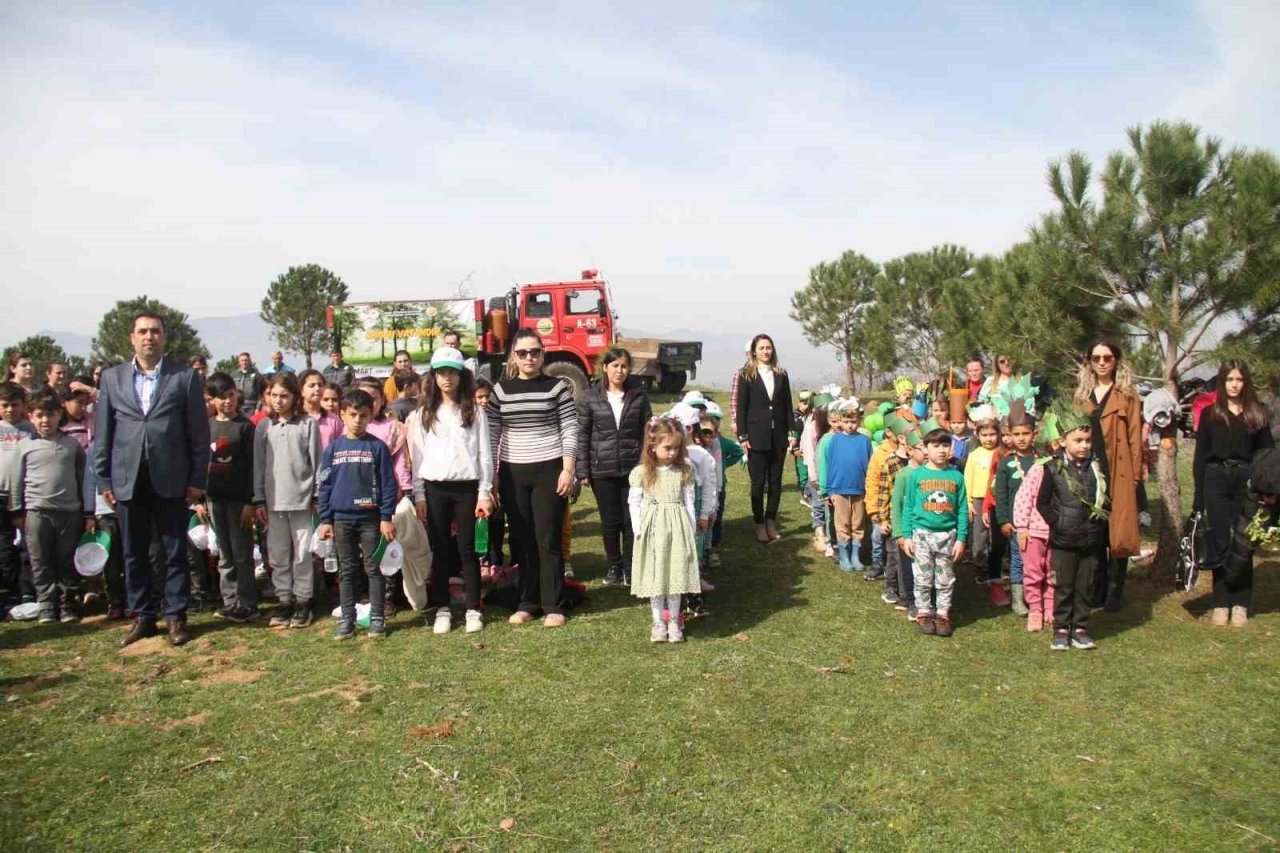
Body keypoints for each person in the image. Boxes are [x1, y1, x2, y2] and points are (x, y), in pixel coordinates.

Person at [93, 312, 211, 647]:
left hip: (172, 478)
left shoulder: (184, 377)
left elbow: (198, 436)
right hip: (127, 479)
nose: (149, 337)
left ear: (164, 337)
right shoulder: (112, 379)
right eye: (142, 332)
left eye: (155, 331)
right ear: (131, 337)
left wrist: (197, 479)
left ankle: (175, 616)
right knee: (133, 551)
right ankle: (144, 616)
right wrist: (103, 482)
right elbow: (103, 434)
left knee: (175, 550)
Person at [486, 329, 577, 628]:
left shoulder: (557, 387)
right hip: (512, 472)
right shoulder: (501, 390)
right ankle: (527, 602)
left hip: (550, 470)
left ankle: (554, 605)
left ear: (543, 354)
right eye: (523, 353)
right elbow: (491, 434)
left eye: (535, 352)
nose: (529, 358)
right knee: (522, 539)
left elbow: (569, 429)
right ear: (514, 355)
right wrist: (493, 476)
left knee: (547, 538)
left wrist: (568, 468)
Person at [406, 347, 493, 635]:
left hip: (468, 488)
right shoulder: (423, 414)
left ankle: (472, 608)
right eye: (441, 372)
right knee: (440, 549)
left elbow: (484, 455)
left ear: (461, 375)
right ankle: (442, 607)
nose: (447, 378)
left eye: (452, 373)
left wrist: (485, 491)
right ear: (433, 376)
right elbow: (418, 459)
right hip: (434, 488)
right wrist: (419, 495)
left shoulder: (475, 411)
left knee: (468, 549)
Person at [1193, 360, 1274, 627]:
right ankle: (1221, 601)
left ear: (1245, 382)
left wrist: (1268, 490)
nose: (1234, 385)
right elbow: (1200, 458)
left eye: (1239, 379)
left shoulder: (1257, 414)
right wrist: (1198, 498)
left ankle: (1241, 602)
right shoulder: (1209, 414)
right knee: (1219, 542)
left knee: (1243, 544)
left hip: (1246, 481)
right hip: (1215, 480)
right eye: (1229, 380)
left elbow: (1267, 456)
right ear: (1222, 382)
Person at [315, 388, 398, 640]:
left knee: (373, 568)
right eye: (352, 415)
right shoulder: (333, 449)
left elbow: (388, 484)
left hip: (370, 519)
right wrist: (325, 519)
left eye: (363, 415)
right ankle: (347, 618)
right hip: (341, 519)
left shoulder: (378, 447)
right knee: (347, 570)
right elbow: (325, 485)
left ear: (370, 415)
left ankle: (377, 618)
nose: (357, 420)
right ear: (342, 415)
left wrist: (386, 517)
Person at [1075, 338, 1143, 611]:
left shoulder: (1128, 395)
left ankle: (1116, 589)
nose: (1102, 363)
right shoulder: (1081, 396)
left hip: (1119, 469)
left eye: (1107, 358)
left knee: (1119, 530)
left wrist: (1136, 476)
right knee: (1095, 529)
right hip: (1088, 470)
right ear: (1089, 362)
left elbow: (1135, 436)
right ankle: (1097, 585)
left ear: (1116, 361)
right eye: (1096, 358)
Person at [577, 347, 652, 587]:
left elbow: (648, 432)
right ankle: (614, 566)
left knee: (631, 521)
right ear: (605, 367)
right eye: (615, 366)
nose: (619, 371)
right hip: (602, 469)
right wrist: (583, 470)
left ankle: (631, 567)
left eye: (623, 366)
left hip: (633, 468)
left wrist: (647, 464)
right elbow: (583, 435)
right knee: (610, 522)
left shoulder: (639, 395)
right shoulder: (590, 397)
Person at [253, 371, 321, 630]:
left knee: (302, 553)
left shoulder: (307, 425)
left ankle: (303, 600)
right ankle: (284, 599)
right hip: (273, 501)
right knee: (279, 554)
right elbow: (259, 465)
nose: (279, 400)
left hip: (302, 500)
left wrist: (316, 494)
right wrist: (259, 499)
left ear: (295, 397)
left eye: (284, 395)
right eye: (274, 395)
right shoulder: (264, 426)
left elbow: (317, 462)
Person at [10, 391, 85, 623]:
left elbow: (82, 477)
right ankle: (46, 607)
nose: (45, 420)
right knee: (40, 561)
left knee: (66, 559)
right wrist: (17, 511)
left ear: (59, 415)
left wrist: (87, 510)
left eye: (50, 415)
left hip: (69, 513)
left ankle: (67, 605)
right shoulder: (24, 446)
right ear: (31, 416)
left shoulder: (72, 445)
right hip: (37, 512)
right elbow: (15, 481)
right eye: (40, 415)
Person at [1037, 407, 1107, 651]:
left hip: (1090, 539)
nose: (1084, 445)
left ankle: (1080, 627)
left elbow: (1106, 499)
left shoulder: (1097, 470)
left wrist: (1098, 525)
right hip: (1064, 540)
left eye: (1088, 440)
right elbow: (1042, 503)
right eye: (1078, 440)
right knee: (1064, 586)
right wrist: (1059, 523)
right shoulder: (1053, 468)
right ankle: (1061, 628)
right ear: (1063, 441)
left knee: (1084, 585)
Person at [628, 417, 701, 643]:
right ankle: (658, 620)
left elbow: (689, 500)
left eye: (676, 448)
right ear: (653, 446)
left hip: (677, 526)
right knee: (656, 574)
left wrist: (691, 526)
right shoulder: (643, 472)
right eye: (667, 447)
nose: (672, 452)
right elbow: (635, 501)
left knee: (675, 572)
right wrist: (638, 528)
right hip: (653, 527)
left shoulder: (684, 470)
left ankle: (674, 621)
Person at [900, 427, 969, 638]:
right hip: (921, 534)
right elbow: (909, 506)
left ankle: (942, 614)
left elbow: (963, 509)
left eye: (945, 445)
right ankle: (924, 613)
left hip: (947, 535)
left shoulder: (956, 476)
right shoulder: (917, 475)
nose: (941, 450)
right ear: (925, 449)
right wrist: (907, 535)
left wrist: (961, 538)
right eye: (936, 445)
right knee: (922, 577)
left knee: (945, 578)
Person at [201, 372, 259, 623]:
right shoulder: (207, 427)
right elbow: (201, 464)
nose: (228, 401)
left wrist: (250, 502)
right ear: (211, 400)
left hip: (239, 501)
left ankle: (248, 603)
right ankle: (230, 601)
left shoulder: (246, 427)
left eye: (231, 395)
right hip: (214, 499)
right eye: (222, 397)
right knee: (224, 552)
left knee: (241, 552)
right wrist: (199, 501)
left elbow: (252, 467)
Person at [735, 334, 793, 544]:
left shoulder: (781, 374)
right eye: (761, 348)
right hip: (756, 437)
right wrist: (742, 435)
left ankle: (771, 521)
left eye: (769, 348)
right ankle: (759, 523)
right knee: (758, 484)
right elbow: (741, 408)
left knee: (776, 483)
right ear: (754, 351)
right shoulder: (746, 375)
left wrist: (791, 433)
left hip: (778, 437)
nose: (766, 352)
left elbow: (787, 406)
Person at [993, 405, 1037, 618]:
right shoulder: (1006, 463)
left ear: (1034, 434)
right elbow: (1000, 495)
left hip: (1039, 523)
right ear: (1009, 435)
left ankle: (1035, 596)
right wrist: (1003, 520)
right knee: (1018, 559)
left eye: (1025, 434)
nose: (1021, 439)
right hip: (1016, 523)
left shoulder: (1042, 461)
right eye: (1016, 434)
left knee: (1037, 560)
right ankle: (1018, 600)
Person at [1013, 423, 1058, 632]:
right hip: (1034, 531)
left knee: (1052, 571)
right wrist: (1022, 527)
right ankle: (1035, 609)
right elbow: (1023, 499)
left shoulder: (1065, 470)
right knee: (1033, 572)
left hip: (1058, 531)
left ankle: (1050, 606)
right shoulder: (1038, 469)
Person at [822, 400, 873, 573]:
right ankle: (844, 554)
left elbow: (870, 467)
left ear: (859, 421)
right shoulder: (834, 440)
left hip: (859, 489)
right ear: (841, 421)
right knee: (842, 522)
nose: (850, 425)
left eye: (853, 422)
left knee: (858, 523)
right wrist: (830, 490)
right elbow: (831, 465)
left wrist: (869, 489)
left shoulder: (865, 441)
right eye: (846, 422)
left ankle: (855, 555)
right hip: (840, 489)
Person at [964, 408, 1008, 605]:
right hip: (979, 499)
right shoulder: (975, 455)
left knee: (997, 535)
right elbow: (968, 479)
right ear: (978, 435)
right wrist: (970, 503)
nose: (989, 438)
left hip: (998, 499)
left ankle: (998, 567)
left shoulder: (1002, 453)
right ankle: (981, 567)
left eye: (992, 434)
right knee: (980, 536)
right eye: (984, 435)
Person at [0, 383, 37, 605]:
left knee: (27, 546)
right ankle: (10, 589)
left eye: (15, 405)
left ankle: (27, 590)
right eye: (5, 405)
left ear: (24, 406)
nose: (10, 409)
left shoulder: (31, 430)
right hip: (0, 495)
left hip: (25, 494)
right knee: (4, 546)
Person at [298, 369, 342, 451]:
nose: (317, 388)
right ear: (301, 391)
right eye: (312, 386)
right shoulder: (294, 419)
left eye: (320, 385)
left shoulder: (333, 420)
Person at [59, 383, 94, 451]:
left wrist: (91, 390)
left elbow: (111, 401)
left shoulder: (90, 420)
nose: (84, 407)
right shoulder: (56, 426)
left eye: (86, 403)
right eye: (79, 402)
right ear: (63, 402)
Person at [232, 353, 264, 419]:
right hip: (237, 407)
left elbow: (261, 394)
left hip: (251, 407)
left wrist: (258, 408)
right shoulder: (234, 375)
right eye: (242, 360)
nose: (244, 362)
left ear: (250, 361)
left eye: (246, 360)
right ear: (239, 362)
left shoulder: (257, 375)